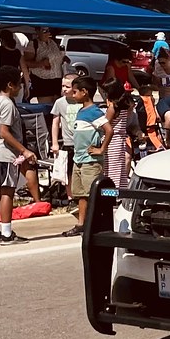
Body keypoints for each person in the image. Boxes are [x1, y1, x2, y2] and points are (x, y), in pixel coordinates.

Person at [0, 66, 38, 245]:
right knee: (7, 191)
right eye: (19, 83)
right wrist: (25, 151)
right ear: (10, 85)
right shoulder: (7, 104)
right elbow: (4, 132)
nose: (21, 87)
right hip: (5, 153)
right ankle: (6, 233)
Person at [65, 76, 112, 238]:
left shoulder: (94, 112)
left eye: (75, 92)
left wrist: (101, 149)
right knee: (81, 194)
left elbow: (109, 130)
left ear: (84, 92)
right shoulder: (81, 111)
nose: (72, 94)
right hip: (79, 160)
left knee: (93, 193)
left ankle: (96, 223)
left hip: (90, 161)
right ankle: (82, 224)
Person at [50, 73, 79, 201]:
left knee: (81, 171)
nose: (64, 89)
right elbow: (55, 123)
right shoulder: (59, 103)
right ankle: (70, 196)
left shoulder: (82, 101)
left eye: (67, 86)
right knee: (68, 172)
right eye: (62, 86)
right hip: (68, 142)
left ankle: (81, 195)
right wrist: (55, 142)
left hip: (82, 143)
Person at [101, 78, 132, 190]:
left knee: (111, 171)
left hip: (112, 141)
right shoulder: (124, 105)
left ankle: (111, 195)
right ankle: (120, 193)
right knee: (119, 170)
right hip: (119, 140)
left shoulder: (112, 108)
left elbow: (105, 124)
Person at [21, 27, 65, 104]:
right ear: (37, 31)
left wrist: (63, 58)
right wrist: (41, 63)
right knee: (46, 105)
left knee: (56, 104)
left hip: (57, 79)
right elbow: (26, 62)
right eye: (44, 31)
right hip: (42, 80)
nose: (48, 33)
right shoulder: (33, 44)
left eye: (49, 31)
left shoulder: (53, 42)